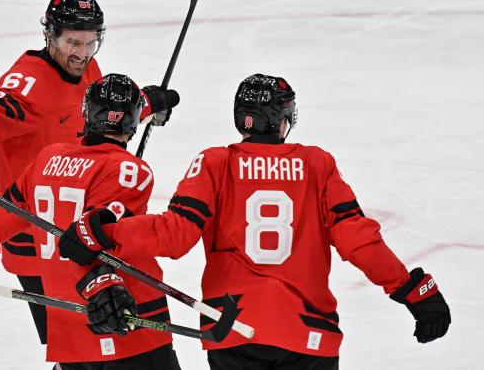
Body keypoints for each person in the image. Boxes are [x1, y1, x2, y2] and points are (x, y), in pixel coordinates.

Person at [58, 73, 451, 369]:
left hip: (231, 329)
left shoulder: (214, 162)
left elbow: (174, 235)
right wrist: (412, 289)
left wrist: (102, 232)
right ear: (281, 119)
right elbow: (357, 241)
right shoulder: (317, 164)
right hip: (307, 332)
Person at [0, 0, 179, 345]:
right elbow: (6, 103)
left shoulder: (89, 69)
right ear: (50, 35)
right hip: (37, 240)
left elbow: (101, 118)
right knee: (77, 345)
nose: (83, 53)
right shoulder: (30, 78)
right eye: (73, 42)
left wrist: (145, 103)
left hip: (85, 233)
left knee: (96, 344)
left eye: (91, 43)